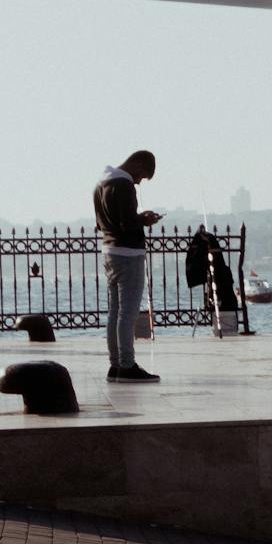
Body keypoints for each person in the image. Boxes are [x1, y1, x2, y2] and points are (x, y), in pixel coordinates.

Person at [93, 151, 162, 383]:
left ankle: (115, 365)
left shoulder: (100, 185)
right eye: (142, 176)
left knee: (114, 312)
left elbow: (101, 223)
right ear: (138, 163)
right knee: (128, 313)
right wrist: (144, 219)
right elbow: (127, 223)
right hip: (129, 253)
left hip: (109, 252)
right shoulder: (123, 185)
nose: (138, 182)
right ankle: (127, 365)